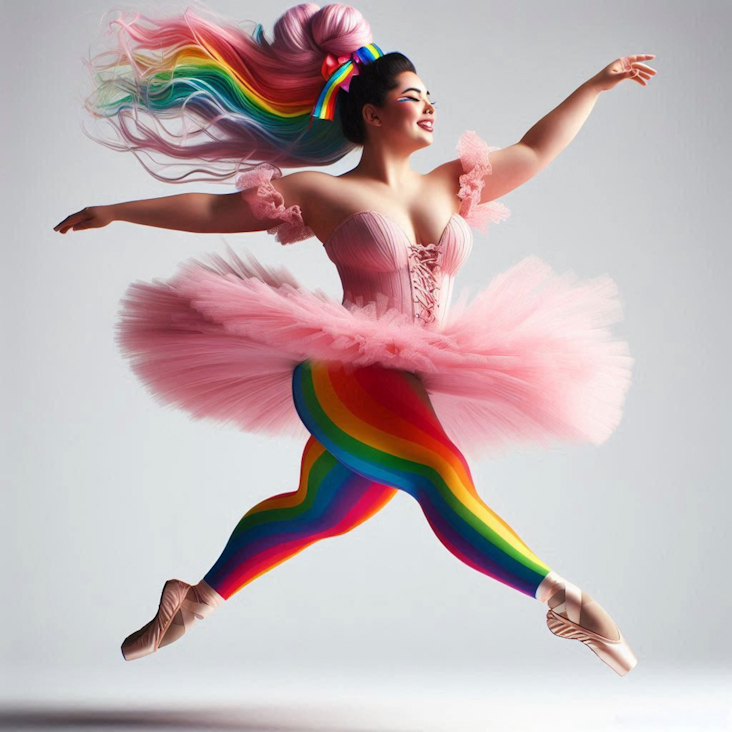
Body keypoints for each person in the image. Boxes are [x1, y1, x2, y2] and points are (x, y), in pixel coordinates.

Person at [54, 2, 656, 676]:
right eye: (412, 97)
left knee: (319, 511)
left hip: (413, 377)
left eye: (431, 98)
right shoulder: (321, 191)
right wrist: (116, 211)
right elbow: (216, 210)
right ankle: (567, 603)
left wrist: (596, 85)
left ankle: (191, 600)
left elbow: (539, 147)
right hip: (344, 370)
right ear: (373, 114)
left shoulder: (454, 185)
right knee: (439, 474)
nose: (430, 109)